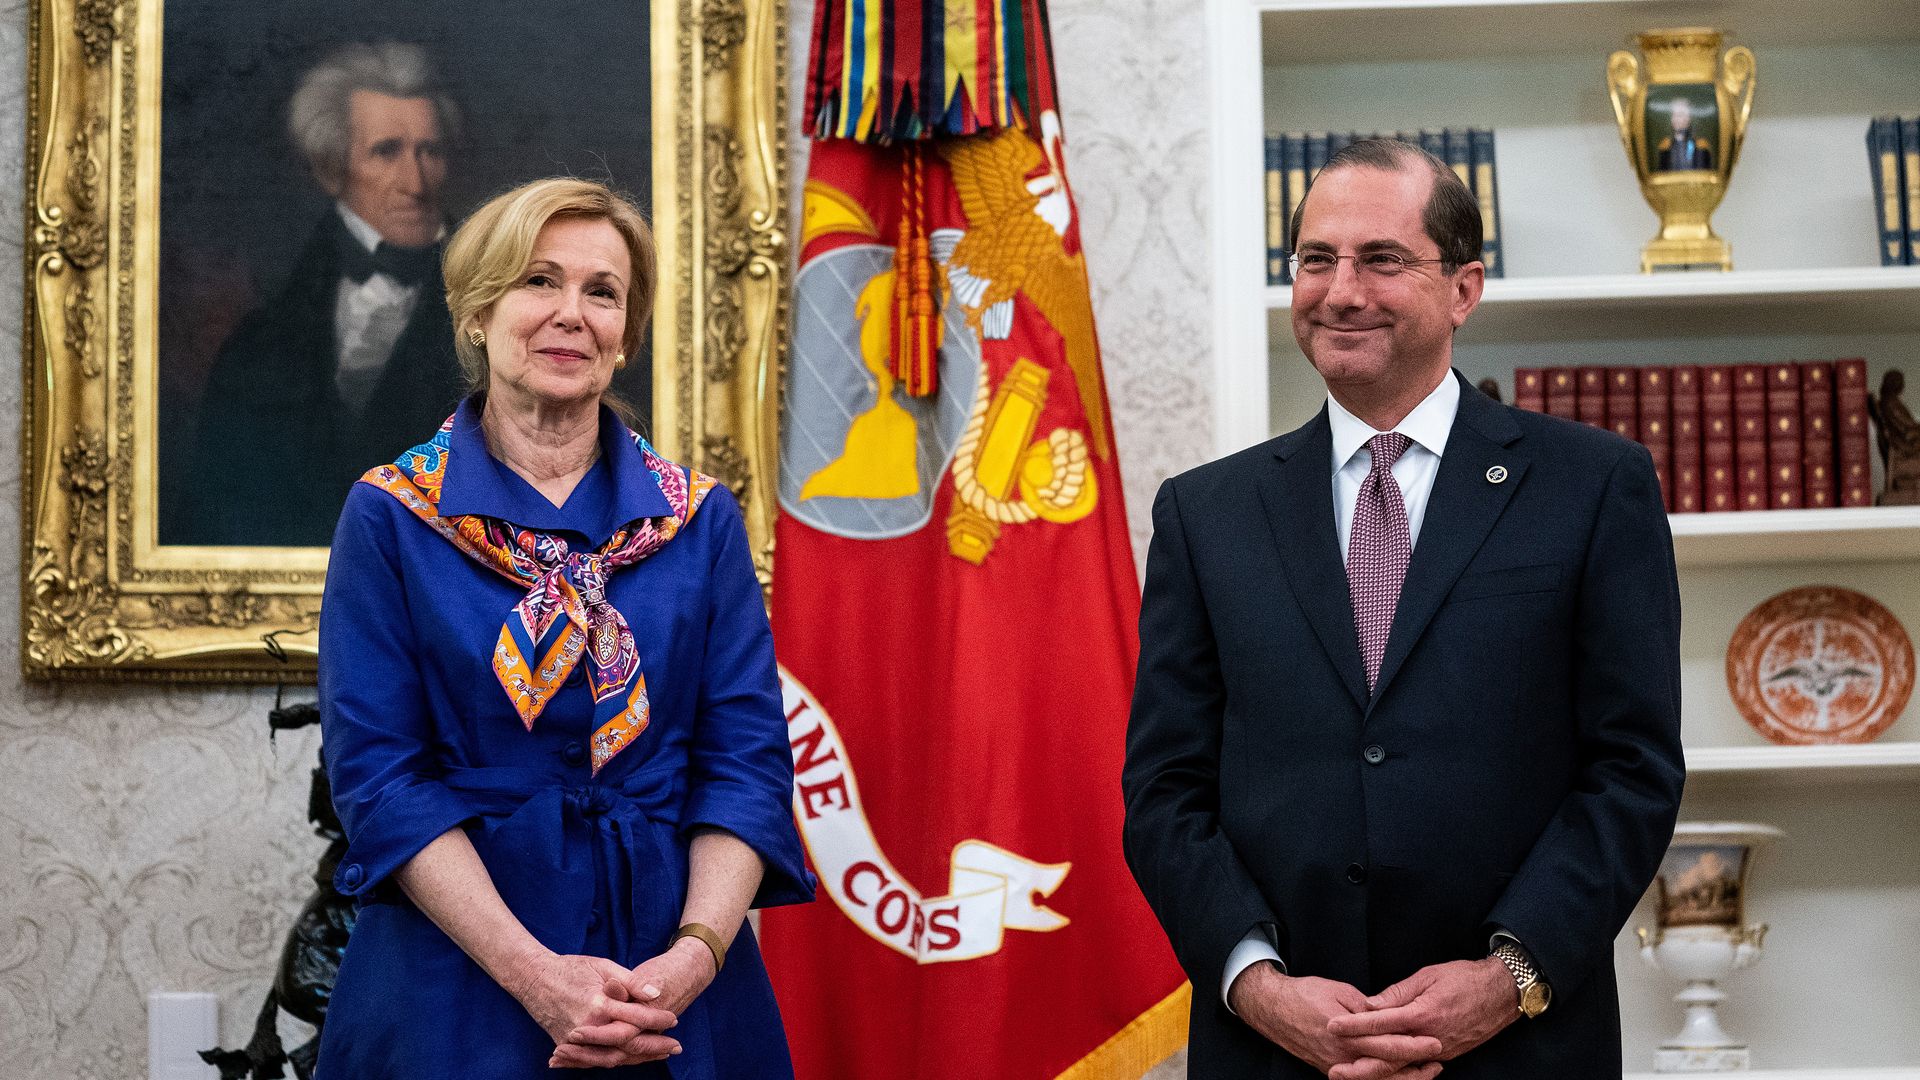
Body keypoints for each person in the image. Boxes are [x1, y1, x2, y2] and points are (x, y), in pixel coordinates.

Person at [1121, 139, 1684, 1080]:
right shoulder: (1204, 514)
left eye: (1382, 259)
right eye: (1316, 259)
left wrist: (1508, 978)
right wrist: (1258, 986)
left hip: (1522, 1048)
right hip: (1277, 1052)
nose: (1341, 291)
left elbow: (1633, 771)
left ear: (1464, 289)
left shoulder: (1593, 487)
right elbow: (1164, 791)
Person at [316, 177, 814, 1078]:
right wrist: (536, 978)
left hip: (673, 987)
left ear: (627, 334)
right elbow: (382, 781)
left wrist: (691, 963)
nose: (571, 314)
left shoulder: (700, 522)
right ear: (477, 313)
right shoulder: (390, 516)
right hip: (458, 978)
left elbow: (745, 771)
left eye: (602, 292)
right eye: (539, 281)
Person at [186, 42, 467, 546]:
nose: (416, 181)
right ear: (329, 169)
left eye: (431, 151)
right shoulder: (257, 346)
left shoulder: (501, 318)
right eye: (387, 151)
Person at [1654, 97, 1714, 171]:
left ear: (1689, 119)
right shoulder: (1665, 146)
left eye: (1680, 115)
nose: (1676, 119)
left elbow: (1704, 173)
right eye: (1674, 115)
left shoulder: (1701, 145)